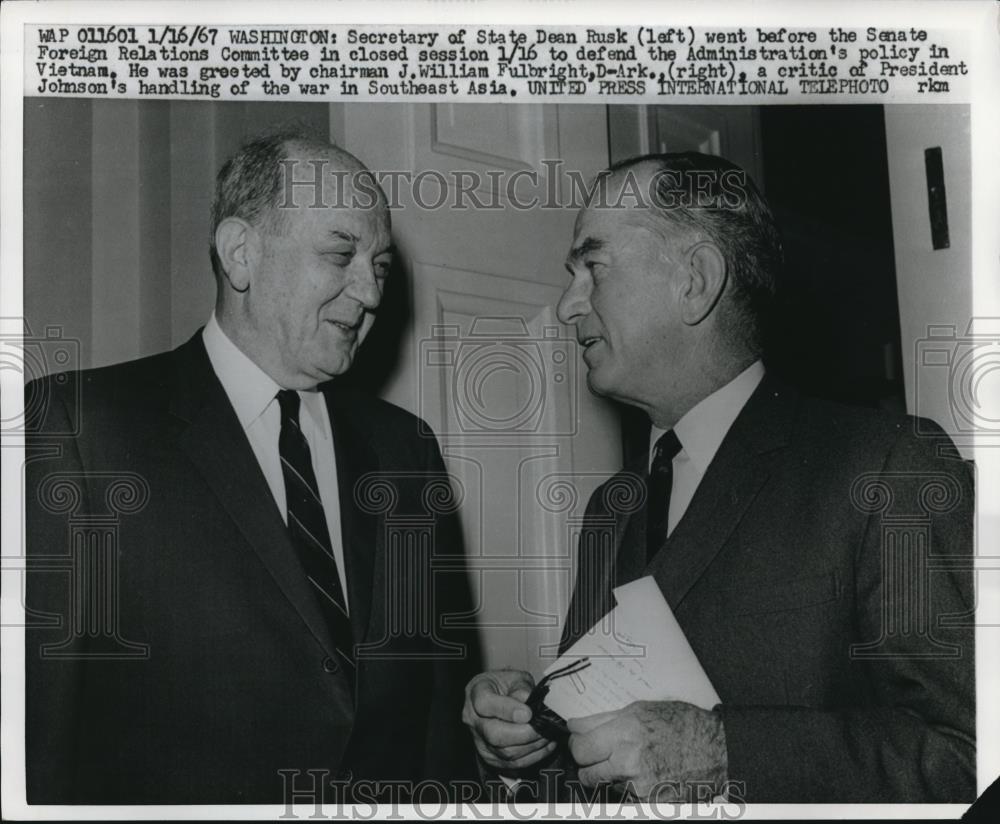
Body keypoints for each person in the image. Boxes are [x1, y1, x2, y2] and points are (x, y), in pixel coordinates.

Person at [462, 153, 975, 803]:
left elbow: (970, 755)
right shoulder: (612, 509)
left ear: (695, 281)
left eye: (593, 267)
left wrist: (726, 753)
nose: (568, 306)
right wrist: (523, 751)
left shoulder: (886, 465)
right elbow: (598, 771)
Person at [25, 130, 478, 804]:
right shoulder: (82, 426)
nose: (371, 292)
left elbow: (437, 722)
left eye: (379, 266)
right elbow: (41, 735)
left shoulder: (405, 450)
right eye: (340, 254)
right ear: (242, 254)